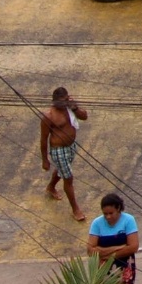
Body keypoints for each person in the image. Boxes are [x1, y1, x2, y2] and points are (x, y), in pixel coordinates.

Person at [40, 87, 89, 222]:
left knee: (62, 170)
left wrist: (75, 108)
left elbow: (84, 116)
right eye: (62, 101)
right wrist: (45, 159)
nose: (65, 103)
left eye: (66, 99)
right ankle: (75, 209)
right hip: (58, 150)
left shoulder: (70, 108)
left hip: (71, 146)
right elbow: (43, 139)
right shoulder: (49, 116)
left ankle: (51, 187)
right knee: (68, 178)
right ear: (55, 101)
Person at [87, 193, 141, 284]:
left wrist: (104, 253)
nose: (108, 217)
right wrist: (118, 248)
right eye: (105, 214)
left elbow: (133, 247)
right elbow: (90, 250)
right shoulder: (96, 223)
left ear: (118, 208)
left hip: (124, 267)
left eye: (111, 213)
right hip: (103, 268)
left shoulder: (129, 220)